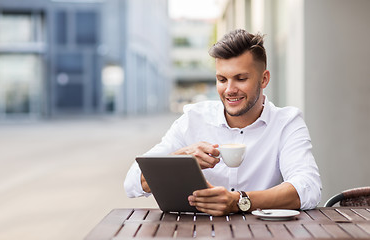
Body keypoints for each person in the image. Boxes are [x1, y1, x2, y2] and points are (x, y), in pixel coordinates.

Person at [124, 29, 321, 216]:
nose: (229, 89)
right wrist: (180, 157)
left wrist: (238, 201)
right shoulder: (193, 118)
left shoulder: (287, 123)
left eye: (241, 78)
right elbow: (132, 182)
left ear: (264, 79)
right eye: (222, 79)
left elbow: (308, 187)